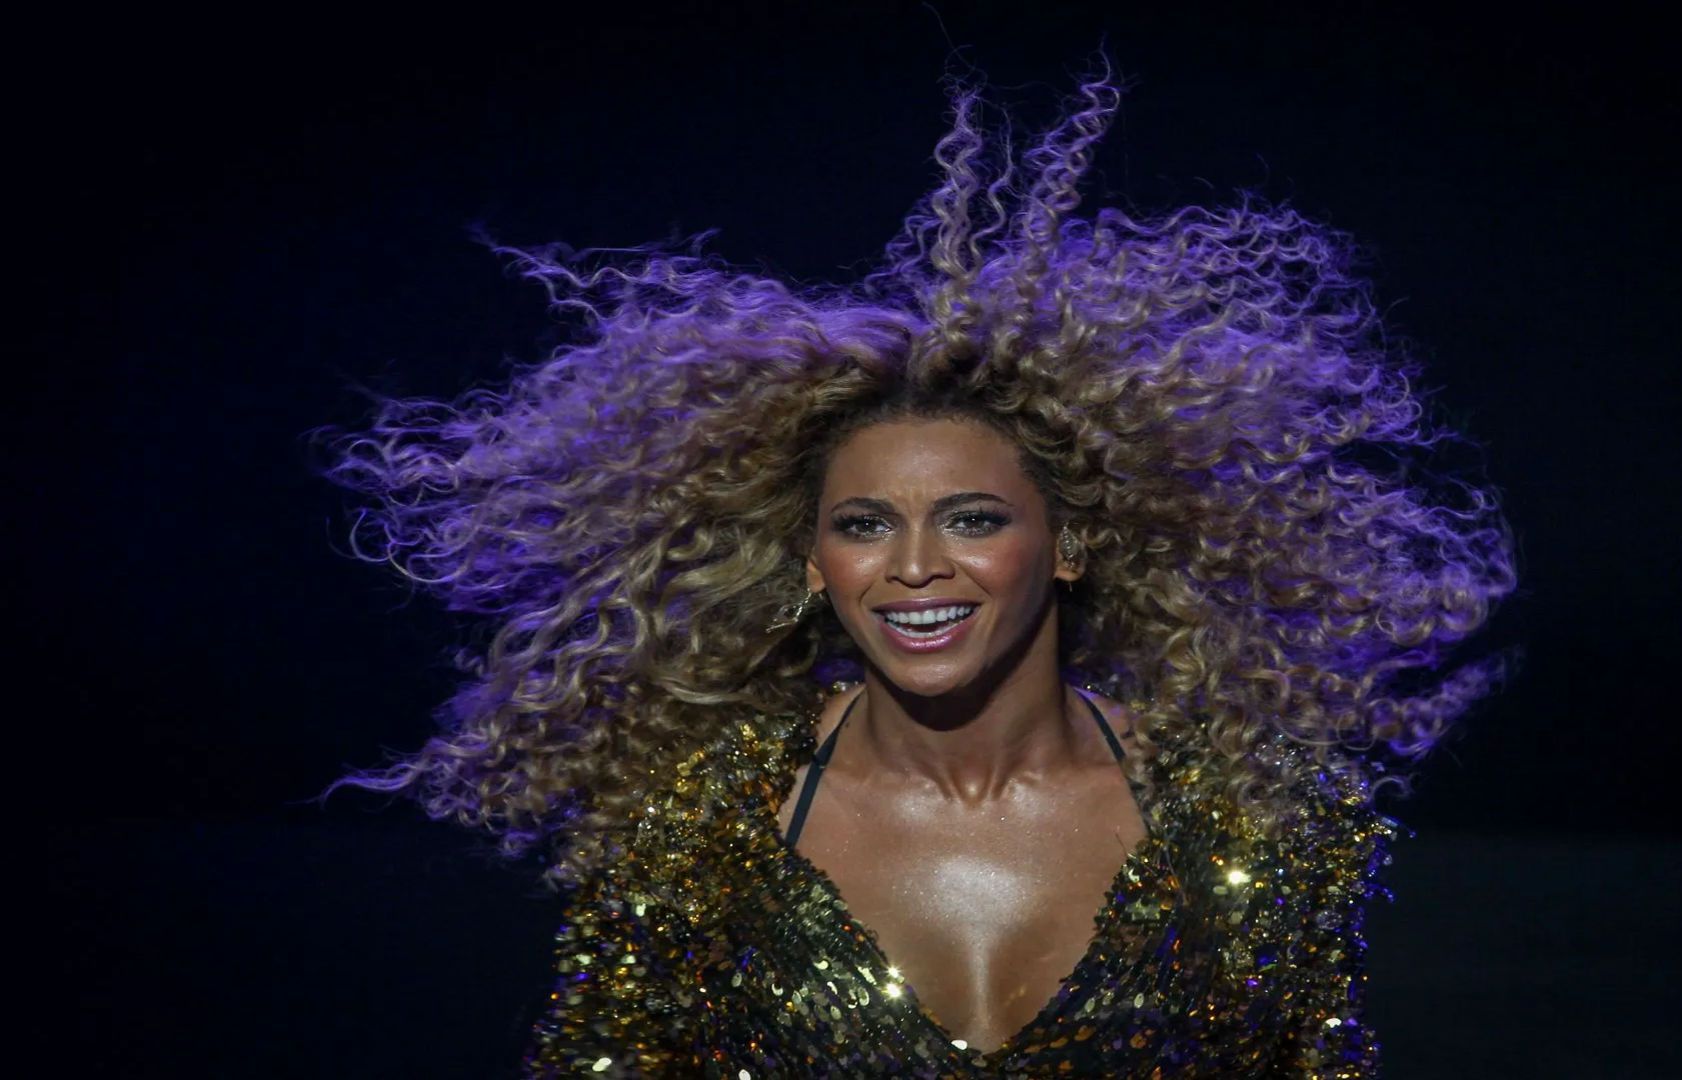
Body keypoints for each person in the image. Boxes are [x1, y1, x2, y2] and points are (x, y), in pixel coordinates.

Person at [316, 63, 1518, 1078]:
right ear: (809, 564)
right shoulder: (700, 828)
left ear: (1074, 540)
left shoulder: (1263, 822)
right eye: (863, 526)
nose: (914, 566)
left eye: (974, 516)